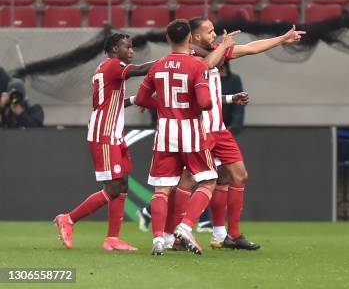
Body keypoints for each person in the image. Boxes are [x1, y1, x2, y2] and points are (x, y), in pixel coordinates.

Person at [164, 17, 304, 251]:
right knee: (188, 180)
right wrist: (225, 46)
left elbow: (250, 48)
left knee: (236, 176)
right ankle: (177, 234)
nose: (214, 35)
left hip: (219, 129)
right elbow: (205, 66)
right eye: (209, 32)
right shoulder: (189, 58)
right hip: (199, 130)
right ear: (195, 37)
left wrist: (282, 39)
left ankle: (227, 235)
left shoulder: (216, 52)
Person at [54, 33, 154, 251]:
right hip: (104, 133)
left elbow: (112, 101)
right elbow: (138, 70)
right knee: (113, 188)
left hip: (114, 134)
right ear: (115, 49)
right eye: (127, 47)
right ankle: (68, 219)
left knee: (123, 183)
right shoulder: (113, 65)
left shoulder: (107, 68)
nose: (131, 51)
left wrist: (135, 99)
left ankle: (112, 239)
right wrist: (170, 61)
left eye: (132, 47)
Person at [135, 19, 226, 256]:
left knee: (161, 190)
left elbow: (142, 99)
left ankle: (158, 240)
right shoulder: (197, 66)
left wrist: (164, 105)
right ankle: (185, 227)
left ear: (167, 39)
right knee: (208, 180)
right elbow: (206, 103)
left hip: (165, 131)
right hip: (191, 131)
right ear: (189, 39)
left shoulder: (157, 65)